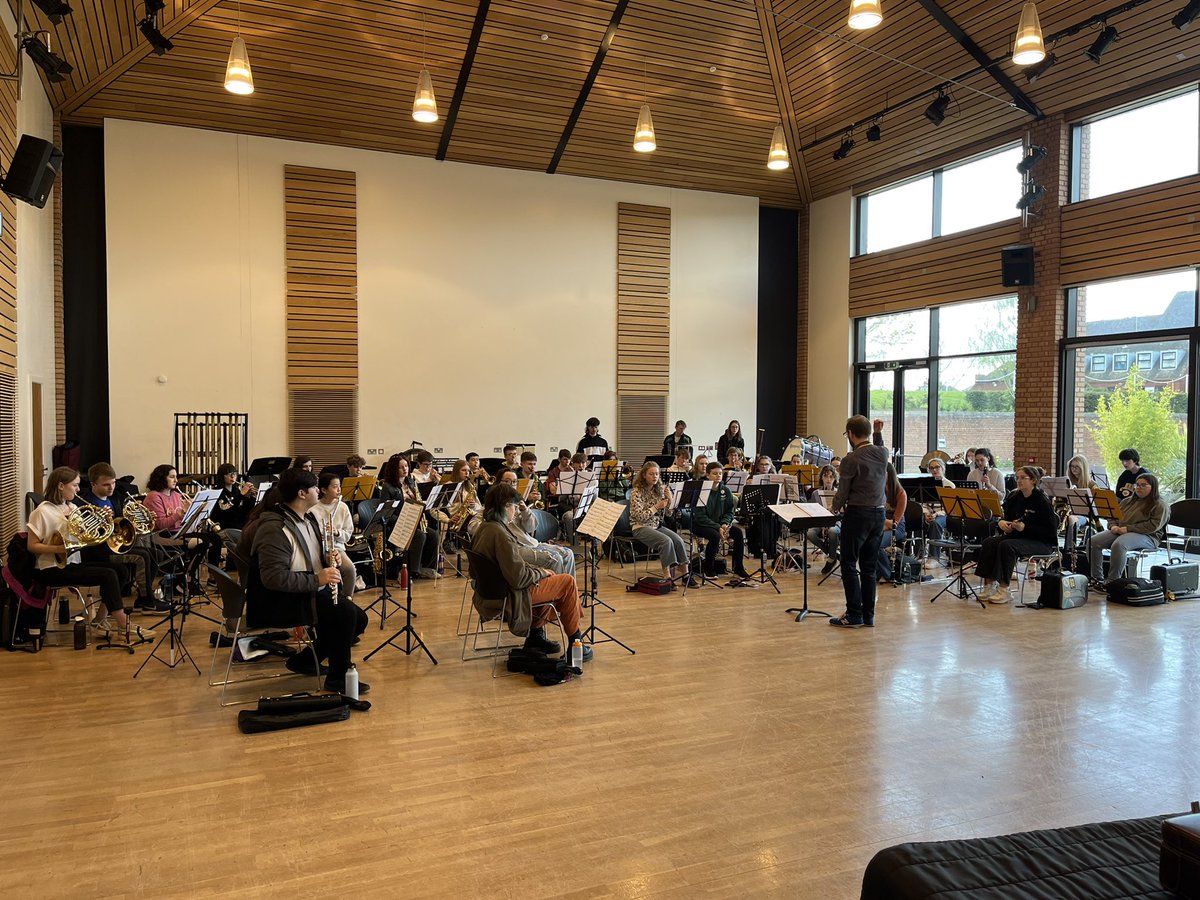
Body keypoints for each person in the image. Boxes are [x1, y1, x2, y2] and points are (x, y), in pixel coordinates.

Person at [248, 467, 368, 694]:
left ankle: (303, 660)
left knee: (358, 618)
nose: (318, 491)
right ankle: (338, 678)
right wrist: (317, 579)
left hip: (307, 589)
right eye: (315, 487)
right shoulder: (275, 529)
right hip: (281, 599)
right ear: (302, 494)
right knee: (344, 614)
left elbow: (309, 555)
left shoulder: (308, 518)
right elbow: (272, 578)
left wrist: (327, 558)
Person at [25, 467, 153, 642]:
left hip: (73, 563)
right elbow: (32, 546)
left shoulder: (71, 507)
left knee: (121, 570)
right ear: (61, 486)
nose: (78, 489)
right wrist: (59, 549)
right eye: (75, 485)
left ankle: (100, 620)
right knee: (107, 575)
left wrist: (102, 521)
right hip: (51, 568)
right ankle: (124, 626)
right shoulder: (42, 511)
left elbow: (88, 536)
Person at [470, 483, 589, 660]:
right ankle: (575, 644)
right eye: (513, 506)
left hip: (494, 591)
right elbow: (518, 578)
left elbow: (508, 568)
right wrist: (540, 573)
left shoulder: (485, 528)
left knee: (553, 577)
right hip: (511, 594)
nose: (515, 510)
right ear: (505, 506)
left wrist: (539, 571)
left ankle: (535, 637)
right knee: (567, 583)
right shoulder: (501, 534)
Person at [829, 415, 889, 629]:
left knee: (848, 563)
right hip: (878, 515)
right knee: (869, 567)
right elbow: (879, 446)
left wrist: (833, 509)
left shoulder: (850, 459)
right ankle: (868, 616)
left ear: (851, 434)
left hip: (858, 515)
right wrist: (878, 433)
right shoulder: (883, 454)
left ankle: (854, 614)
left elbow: (843, 492)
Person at [79, 462, 161, 610]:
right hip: (98, 551)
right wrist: (101, 521)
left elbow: (123, 523)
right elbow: (86, 533)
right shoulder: (86, 502)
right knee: (142, 556)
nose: (111, 488)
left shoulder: (115, 498)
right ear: (93, 484)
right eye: (106, 485)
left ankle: (144, 593)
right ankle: (146, 600)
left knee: (157, 554)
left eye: (113, 483)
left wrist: (146, 518)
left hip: (114, 545)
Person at [975, 466, 1057, 604]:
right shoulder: (1015, 497)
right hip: (1020, 538)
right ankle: (988, 585)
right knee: (990, 542)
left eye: (1023, 478)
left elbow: (1049, 532)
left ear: (1033, 481)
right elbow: (1007, 519)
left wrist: (1025, 527)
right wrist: (1003, 524)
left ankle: (1004, 589)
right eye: (1017, 477)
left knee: (1007, 545)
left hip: (1041, 542)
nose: (1018, 481)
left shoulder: (1042, 501)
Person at [1088, 472, 1168, 589]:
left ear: (1153, 487)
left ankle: (1112, 581)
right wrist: (1113, 526)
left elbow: (1153, 526)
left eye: (1143, 485)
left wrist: (1128, 529)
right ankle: (1096, 578)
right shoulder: (1127, 501)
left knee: (1119, 544)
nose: (1139, 488)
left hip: (1148, 536)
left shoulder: (1160, 504)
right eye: (1137, 485)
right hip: (1121, 531)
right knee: (1093, 541)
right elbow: (1113, 516)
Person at [496, 471, 574, 574]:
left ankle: (568, 588)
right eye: (507, 481)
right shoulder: (494, 503)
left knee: (568, 554)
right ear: (498, 483)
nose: (511, 485)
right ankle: (557, 588)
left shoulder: (518, 501)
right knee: (555, 559)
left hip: (530, 542)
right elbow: (474, 526)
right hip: (516, 547)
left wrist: (525, 511)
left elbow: (531, 528)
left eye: (514, 482)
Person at [628, 461, 690, 584]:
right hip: (640, 527)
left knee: (678, 540)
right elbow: (639, 517)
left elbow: (669, 514)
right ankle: (668, 577)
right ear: (644, 475)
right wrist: (656, 507)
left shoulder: (659, 490)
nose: (655, 477)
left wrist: (670, 499)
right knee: (666, 541)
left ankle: (686, 575)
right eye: (651, 474)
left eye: (657, 474)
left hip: (656, 526)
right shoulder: (636, 492)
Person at [690, 462, 750, 582]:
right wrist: (718, 527)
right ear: (707, 475)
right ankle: (709, 569)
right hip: (700, 524)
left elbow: (729, 511)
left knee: (738, 533)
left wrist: (724, 524)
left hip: (720, 524)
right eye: (715, 473)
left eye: (720, 473)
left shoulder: (725, 490)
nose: (718, 475)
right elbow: (700, 516)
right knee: (715, 536)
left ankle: (738, 568)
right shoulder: (701, 491)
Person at [313, 472, 358, 601]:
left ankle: (347, 599)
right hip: (317, 548)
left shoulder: (342, 507)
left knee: (349, 569)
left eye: (339, 486)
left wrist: (337, 532)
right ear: (323, 490)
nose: (339, 490)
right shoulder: (313, 508)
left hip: (337, 547)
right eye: (334, 487)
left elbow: (348, 535)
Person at [806, 465, 840, 575]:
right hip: (820, 521)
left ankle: (831, 559)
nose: (828, 479)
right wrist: (822, 525)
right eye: (826, 476)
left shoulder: (839, 493)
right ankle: (833, 555)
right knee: (810, 533)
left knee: (832, 531)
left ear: (835, 479)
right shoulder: (816, 493)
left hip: (836, 521)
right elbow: (813, 511)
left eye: (831, 477)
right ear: (822, 478)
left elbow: (842, 513)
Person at [877, 464, 908, 582]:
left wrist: (878, 519)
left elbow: (894, 524)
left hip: (897, 529)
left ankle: (888, 574)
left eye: (882, 472)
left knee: (876, 543)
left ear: (889, 474)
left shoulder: (901, 494)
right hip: (881, 526)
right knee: (865, 541)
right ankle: (876, 572)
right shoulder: (878, 490)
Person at [922, 457, 955, 565]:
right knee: (916, 520)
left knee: (936, 524)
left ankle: (934, 557)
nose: (934, 470)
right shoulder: (926, 484)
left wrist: (935, 514)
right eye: (931, 468)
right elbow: (923, 503)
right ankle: (918, 554)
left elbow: (949, 508)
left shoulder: (949, 485)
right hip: (929, 514)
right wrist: (926, 513)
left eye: (937, 467)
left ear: (943, 468)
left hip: (944, 515)